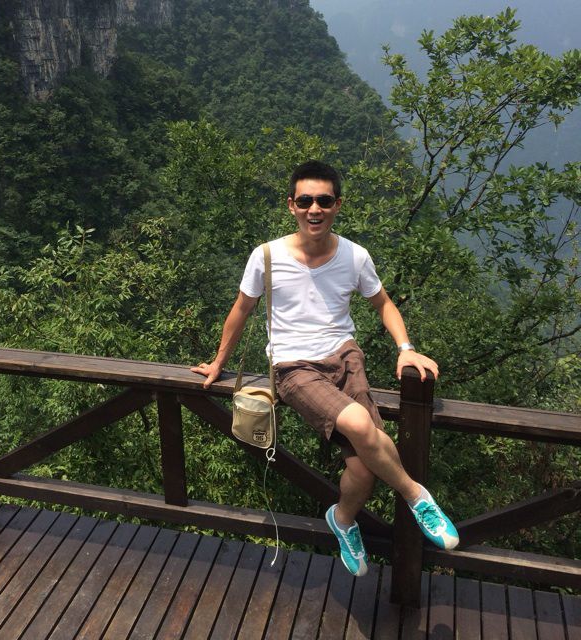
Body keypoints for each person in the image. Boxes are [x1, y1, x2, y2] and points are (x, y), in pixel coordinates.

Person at [191, 160, 458, 577]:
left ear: (337, 205)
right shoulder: (266, 256)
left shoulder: (355, 256)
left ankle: (343, 519)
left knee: (363, 468)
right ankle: (416, 496)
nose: (314, 209)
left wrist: (406, 348)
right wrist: (219, 362)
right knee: (361, 424)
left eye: (323, 200)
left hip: (345, 356)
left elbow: (383, 303)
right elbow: (241, 309)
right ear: (291, 205)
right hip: (292, 366)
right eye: (305, 201)